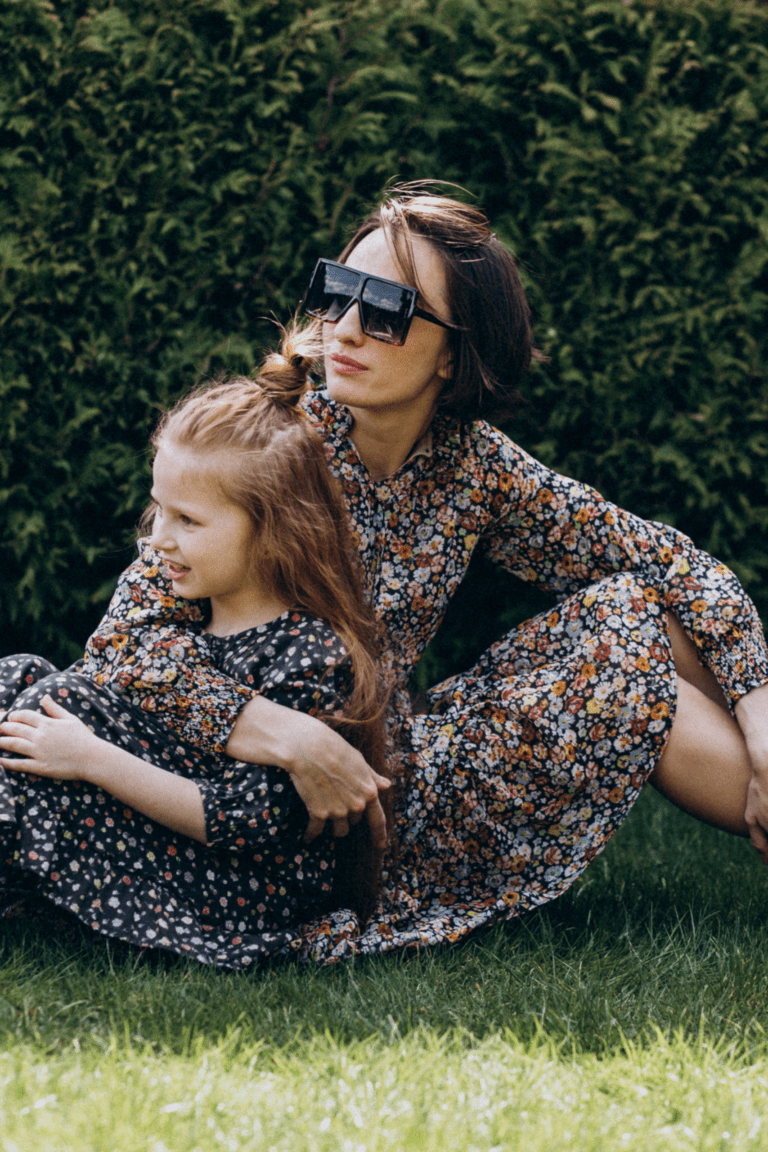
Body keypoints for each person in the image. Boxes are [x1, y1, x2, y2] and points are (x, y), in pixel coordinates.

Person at [7, 184, 768, 966]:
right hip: (253, 799)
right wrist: (293, 736)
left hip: (389, 777)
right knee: (642, 653)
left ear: (454, 354)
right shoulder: (277, 445)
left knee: (633, 615)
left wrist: (761, 716)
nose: (345, 329)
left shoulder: (473, 466)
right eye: (339, 294)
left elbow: (671, 566)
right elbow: (124, 645)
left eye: (388, 312)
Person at [0, 364, 390, 966]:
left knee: (61, 706)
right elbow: (108, 662)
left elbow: (238, 819)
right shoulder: (180, 601)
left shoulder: (306, 652)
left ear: (273, 530)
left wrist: (89, 758)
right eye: (159, 510)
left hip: (238, 889)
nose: (159, 538)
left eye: (188, 520)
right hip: (170, 839)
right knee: (20, 675)